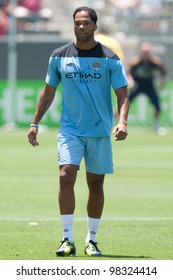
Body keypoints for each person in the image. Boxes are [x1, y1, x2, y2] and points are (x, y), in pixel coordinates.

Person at [27, 6, 129, 257]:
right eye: (77, 23)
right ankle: (67, 239)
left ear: (94, 25)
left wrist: (123, 121)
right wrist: (35, 122)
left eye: (85, 23)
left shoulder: (109, 58)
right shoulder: (59, 56)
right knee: (65, 175)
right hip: (70, 130)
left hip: (99, 130)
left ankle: (91, 240)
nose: (80, 27)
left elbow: (122, 93)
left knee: (95, 184)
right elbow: (48, 91)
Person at [128, 42, 167, 132]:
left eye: (147, 52)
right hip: (137, 85)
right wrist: (130, 81)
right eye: (144, 52)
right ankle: (113, 123)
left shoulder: (155, 61)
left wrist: (162, 82)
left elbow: (163, 72)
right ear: (140, 52)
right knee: (124, 103)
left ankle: (155, 125)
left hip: (149, 85)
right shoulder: (135, 62)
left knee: (157, 106)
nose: (145, 54)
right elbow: (128, 72)